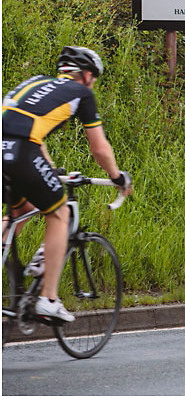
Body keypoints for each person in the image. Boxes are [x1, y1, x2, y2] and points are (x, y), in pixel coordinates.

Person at [2, 46, 132, 323]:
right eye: (93, 78)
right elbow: (98, 148)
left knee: (20, 210)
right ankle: (49, 299)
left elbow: (29, 127)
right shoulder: (82, 93)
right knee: (60, 213)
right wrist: (117, 177)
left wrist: (48, 168)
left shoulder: (35, 82)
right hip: (21, 151)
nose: (93, 83)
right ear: (86, 75)